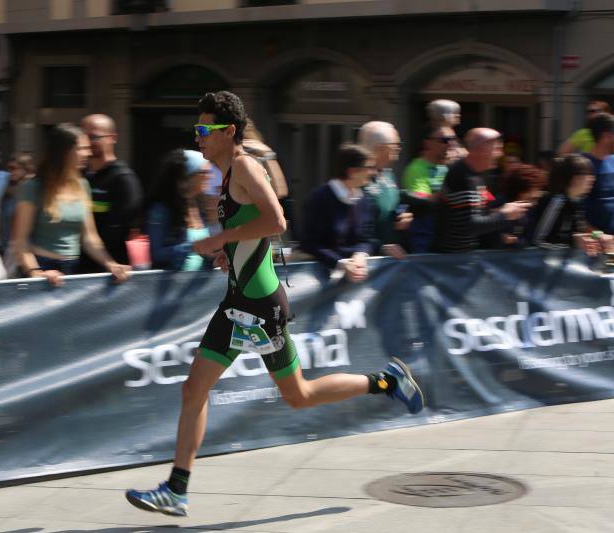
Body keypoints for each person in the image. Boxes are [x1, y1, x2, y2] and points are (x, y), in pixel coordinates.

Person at [125, 91, 424, 518]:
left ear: (229, 132)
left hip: (258, 303)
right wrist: (233, 249)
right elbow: (258, 229)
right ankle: (177, 490)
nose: (199, 139)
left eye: (204, 131)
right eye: (196, 131)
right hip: (241, 299)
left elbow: (279, 221)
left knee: (290, 395)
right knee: (207, 390)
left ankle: (386, 382)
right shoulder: (227, 174)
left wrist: (222, 239)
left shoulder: (245, 166)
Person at [11, 123, 130, 285]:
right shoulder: (33, 187)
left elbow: (89, 238)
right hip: (43, 269)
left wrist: (110, 263)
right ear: (65, 152)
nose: (88, 153)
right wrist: (36, 272)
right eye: (82, 148)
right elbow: (21, 241)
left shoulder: (83, 185)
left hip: (73, 271)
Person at [433, 128, 531, 253]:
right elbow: (469, 225)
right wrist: (504, 215)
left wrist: (501, 211)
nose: (500, 154)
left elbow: (476, 215)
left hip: (461, 258)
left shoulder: (475, 176)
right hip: (450, 262)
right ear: (481, 150)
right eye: (497, 149)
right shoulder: (462, 175)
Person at [300, 143, 377, 282]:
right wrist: (340, 264)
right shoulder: (319, 198)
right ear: (352, 171)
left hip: (354, 279)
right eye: (369, 168)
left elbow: (365, 239)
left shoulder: (364, 199)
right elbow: (310, 244)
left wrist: (360, 255)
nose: (373, 173)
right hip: (320, 280)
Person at [78, 113, 143, 271]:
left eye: (93, 137)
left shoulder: (123, 178)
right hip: (75, 269)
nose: (87, 142)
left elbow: (119, 229)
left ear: (112, 137)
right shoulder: (78, 176)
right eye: (83, 137)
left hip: (109, 272)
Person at [145, 149, 212, 271]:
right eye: (203, 172)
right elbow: (156, 254)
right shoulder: (160, 211)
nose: (209, 176)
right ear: (185, 179)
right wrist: (192, 247)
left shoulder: (202, 207)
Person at [358, 121, 411, 257]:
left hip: (391, 257)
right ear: (381, 148)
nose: (398, 151)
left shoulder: (388, 173)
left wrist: (401, 218)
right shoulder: (357, 178)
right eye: (396, 146)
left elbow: (391, 207)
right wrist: (379, 247)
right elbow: (353, 229)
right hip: (366, 260)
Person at [531, 154, 601, 254]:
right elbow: (538, 241)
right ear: (575, 179)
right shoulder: (555, 202)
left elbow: (576, 235)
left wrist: (596, 237)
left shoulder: (577, 202)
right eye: (588, 174)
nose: (593, 179)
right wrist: (573, 241)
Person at [401, 126, 454, 253]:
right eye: (445, 140)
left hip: (444, 236)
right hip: (425, 239)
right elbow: (426, 201)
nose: (451, 144)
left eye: (453, 140)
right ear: (427, 143)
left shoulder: (446, 167)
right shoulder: (416, 168)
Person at [493, 163, 547, 249]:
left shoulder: (530, 210)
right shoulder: (498, 204)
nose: (534, 202)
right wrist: (500, 238)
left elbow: (531, 239)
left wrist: (516, 241)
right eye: (535, 187)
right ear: (521, 190)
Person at [582, 112, 614, 235]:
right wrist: (599, 237)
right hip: (594, 246)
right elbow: (574, 211)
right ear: (606, 136)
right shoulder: (582, 165)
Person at [426, 99, 466, 163]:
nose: (458, 116)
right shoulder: (442, 133)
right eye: (454, 113)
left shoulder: (448, 131)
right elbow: (455, 155)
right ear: (445, 115)